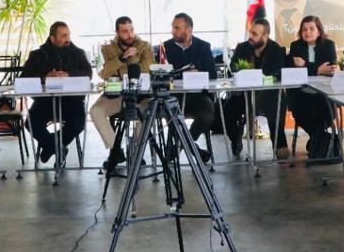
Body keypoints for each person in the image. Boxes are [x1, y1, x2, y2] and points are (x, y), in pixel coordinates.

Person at [20, 21, 92, 163]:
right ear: (52, 39)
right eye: (64, 36)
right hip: (45, 102)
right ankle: (58, 147)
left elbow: (88, 73)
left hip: (72, 101)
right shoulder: (37, 55)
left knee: (78, 123)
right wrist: (44, 77)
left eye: (68, 35)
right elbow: (24, 78)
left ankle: (51, 147)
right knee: (31, 123)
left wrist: (68, 75)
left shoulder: (78, 53)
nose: (68, 39)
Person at [89, 16, 153, 169]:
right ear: (117, 32)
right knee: (95, 111)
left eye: (131, 30)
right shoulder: (106, 49)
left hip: (140, 95)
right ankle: (116, 151)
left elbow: (147, 69)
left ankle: (137, 153)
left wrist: (121, 69)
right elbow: (103, 73)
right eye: (125, 31)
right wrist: (122, 58)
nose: (130, 34)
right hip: (116, 94)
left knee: (140, 112)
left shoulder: (145, 46)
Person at [226, 18, 289, 159]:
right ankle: (235, 138)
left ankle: (280, 144)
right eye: (250, 32)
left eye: (255, 34)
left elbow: (277, 74)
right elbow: (233, 68)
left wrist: (257, 76)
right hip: (244, 95)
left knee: (278, 102)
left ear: (265, 36)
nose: (251, 36)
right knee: (227, 110)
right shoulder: (242, 48)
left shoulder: (276, 50)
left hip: (267, 95)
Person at [160, 13, 217, 161]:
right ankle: (194, 149)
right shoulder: (165, 48)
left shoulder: (203, 47)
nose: (173, 31)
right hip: (174, 97)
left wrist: (198, 73)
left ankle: (180, 146)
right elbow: (159, 74)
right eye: (173, 27)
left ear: (189, 29)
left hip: (198, 96)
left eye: (177, 28)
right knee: (171, 116)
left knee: (207, 115)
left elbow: (213, 74)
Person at [287, 15, 340, 161]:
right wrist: (317, 69)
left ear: (319, 31)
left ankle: (318, 144)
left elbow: (330, 69)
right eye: (304, 29)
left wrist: (305, 66)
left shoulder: (328, 45)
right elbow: (292, 71)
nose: (307, 32)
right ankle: (324, 142)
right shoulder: (295, 46)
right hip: (301, 94)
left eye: (311, 29)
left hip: (323, 95)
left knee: (324, 112)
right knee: (302, 112)